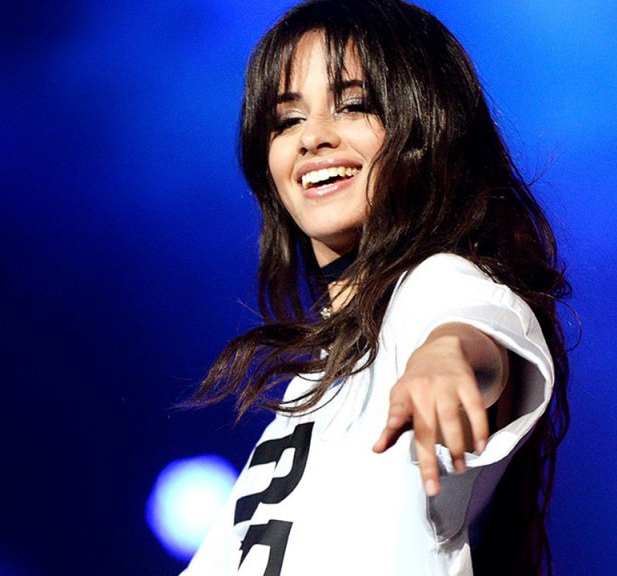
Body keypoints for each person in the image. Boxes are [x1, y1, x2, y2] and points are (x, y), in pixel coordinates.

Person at [182, 0, 571, 574]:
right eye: (287, 120)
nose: (312, 138)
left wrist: (447, 354)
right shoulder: (313, 385)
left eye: (354, 106)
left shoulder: (431, 286)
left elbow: (474, 324)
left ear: (428, 127)